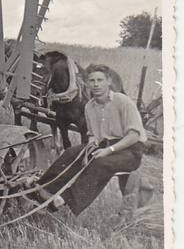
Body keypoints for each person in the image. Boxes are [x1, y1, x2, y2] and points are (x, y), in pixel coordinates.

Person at [34, 64, 147, 215]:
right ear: (86, 83)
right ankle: (42, 189)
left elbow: (134, 136)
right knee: (71, 153)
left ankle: (62, 200)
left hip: (130, 150)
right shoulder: (89, 107)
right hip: (104, 146)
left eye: (100, 80)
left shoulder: (122, 101)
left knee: (99, 163)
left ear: (109, 81)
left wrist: (109, 150)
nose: (96, 84)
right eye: (92, 80)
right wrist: (89, 148)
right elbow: (93, 134)